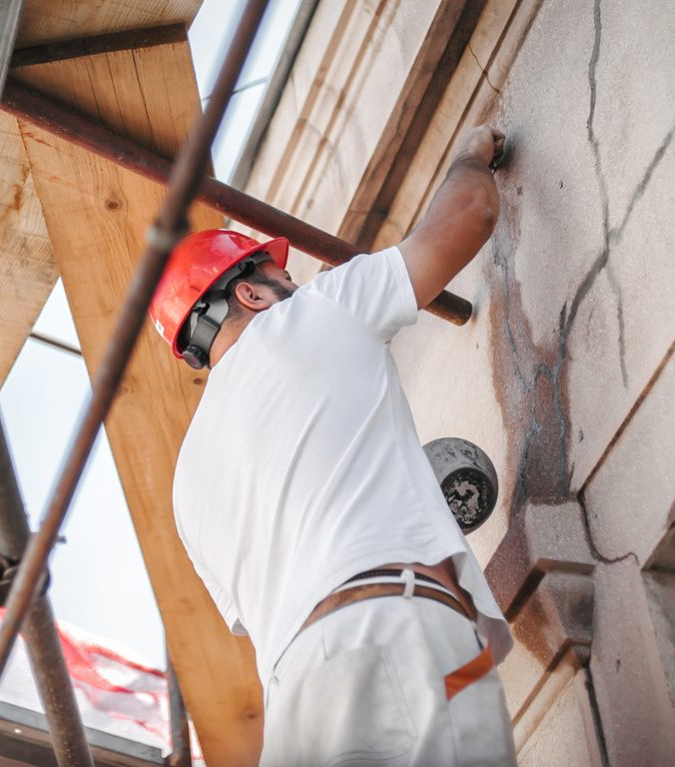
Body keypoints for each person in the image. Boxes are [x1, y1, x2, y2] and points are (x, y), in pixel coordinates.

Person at [149, 125, 516, 766]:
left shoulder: (186, 489)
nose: (294, 281)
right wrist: (469, 153)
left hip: (296, 713)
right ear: (250, 291)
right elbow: (469, 215)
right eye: (279, 273)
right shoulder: (314, 312)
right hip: (398, 631)